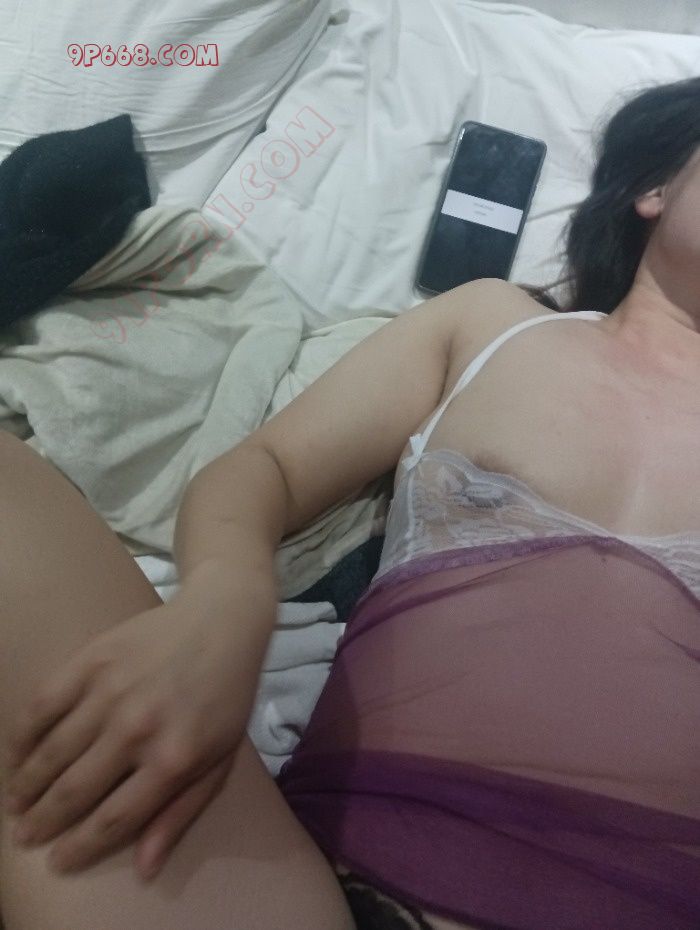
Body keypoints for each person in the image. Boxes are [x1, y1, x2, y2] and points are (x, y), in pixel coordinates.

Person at [0, 75, 699, 930]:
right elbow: (266, 467)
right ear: (655, 189)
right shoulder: (491, 323)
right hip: (322, 889)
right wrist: (224, 606)